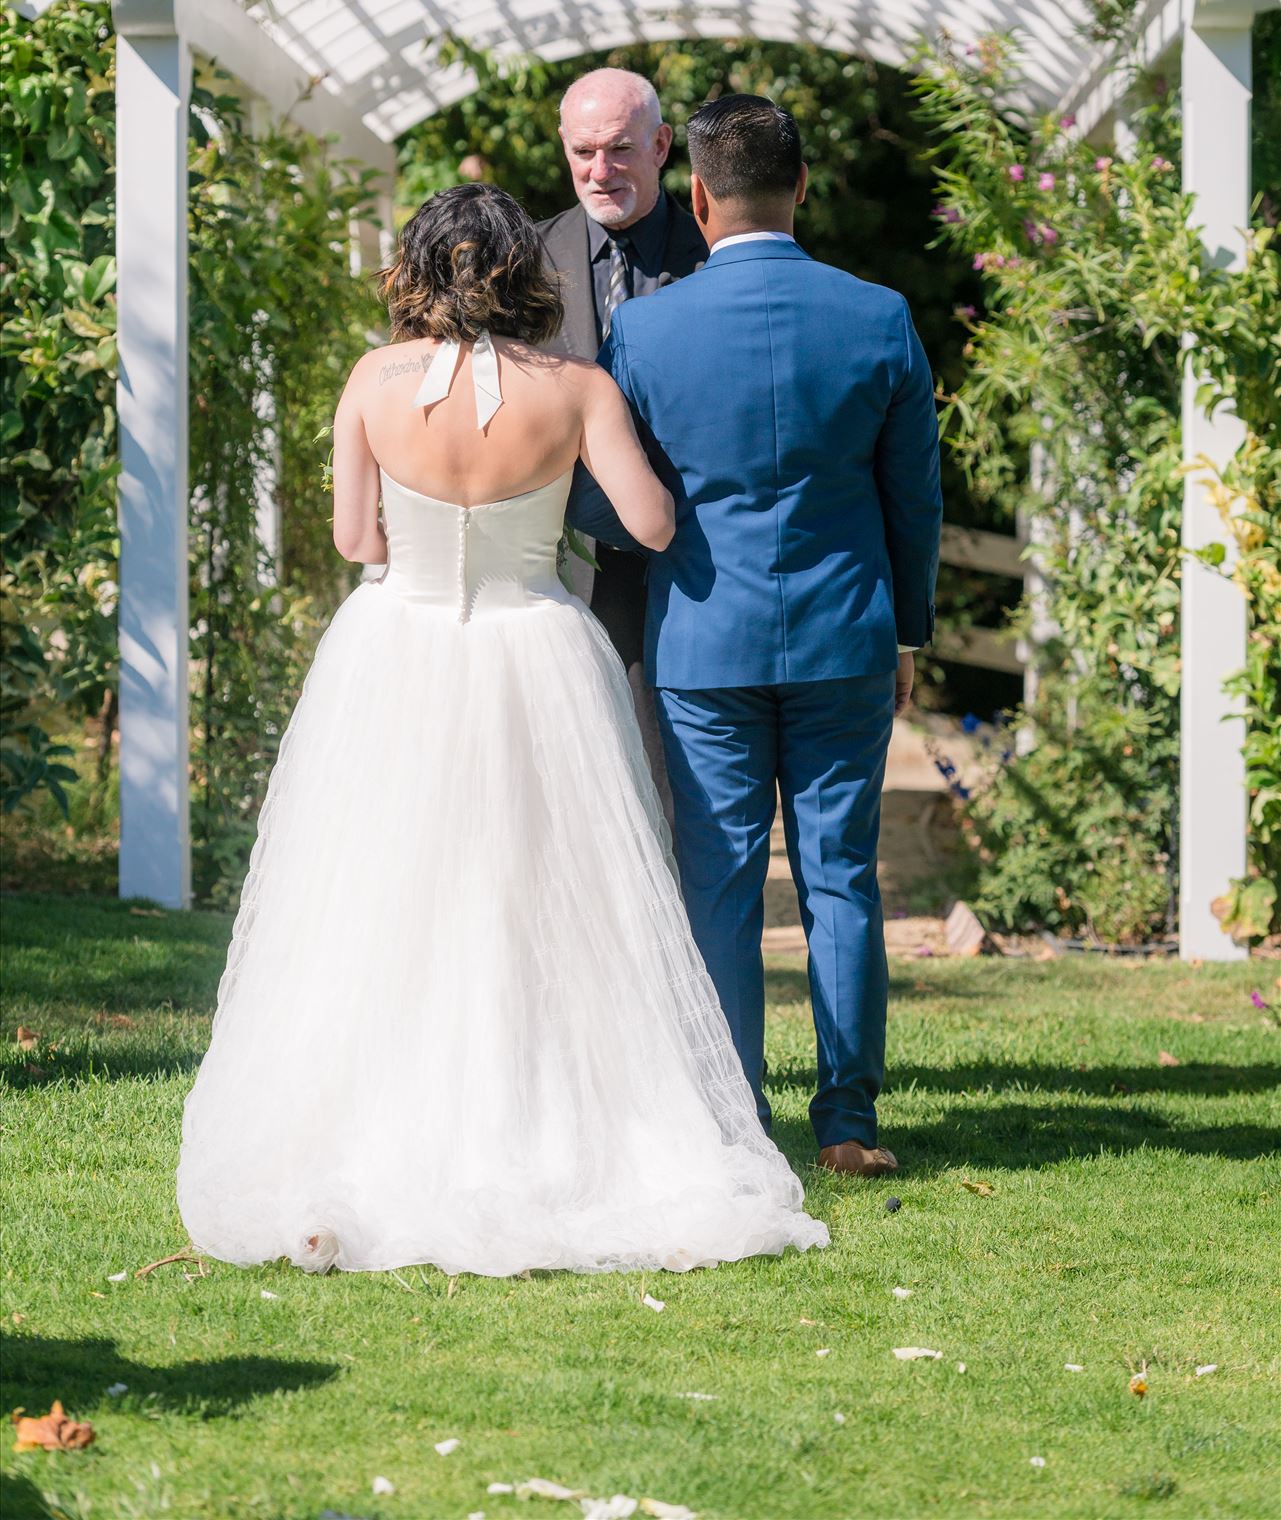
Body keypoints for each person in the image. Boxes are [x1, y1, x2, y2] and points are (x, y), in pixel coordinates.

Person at [176, 182, 827, 1277]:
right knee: (545, 896)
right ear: (529, 271)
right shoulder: (576, 387)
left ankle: (379, 1125)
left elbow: (352, 541)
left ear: (417, 270)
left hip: (398, 650)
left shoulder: (372, 381)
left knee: (386, 892)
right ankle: (541, 1122)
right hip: (535, 651)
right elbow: (654, 524)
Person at [568, 96, 943, 1178]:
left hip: (701, 642)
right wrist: (908, 630)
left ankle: (735, 1120)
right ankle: (849, 1123)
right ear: (805, 188)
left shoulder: (645, 328)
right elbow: (912, 496)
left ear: (696, 194)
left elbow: (607, 503)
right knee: (841, 878)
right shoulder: (878, 317)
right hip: (845, 639)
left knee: (719, 882)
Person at [538, 71, 705, 797]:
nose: (598, 172)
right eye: (582, 152)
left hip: (691, 569)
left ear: (661, 145)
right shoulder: (528, 258)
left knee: (672, 794)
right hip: (557, 572)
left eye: (618, 149)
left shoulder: (713, 255)